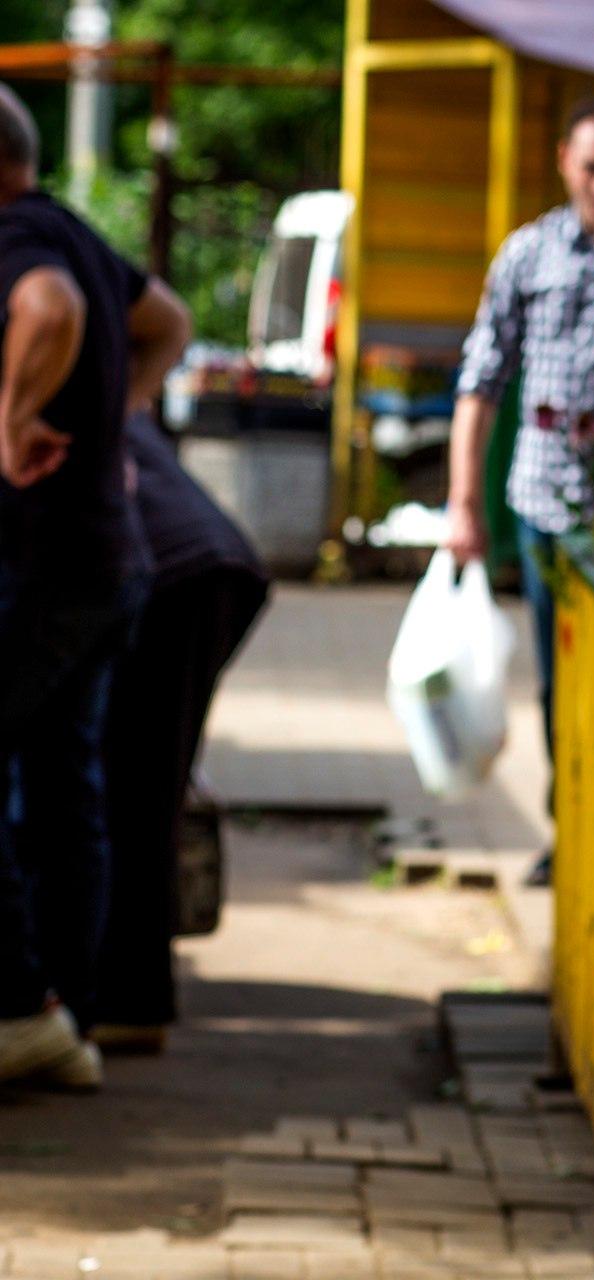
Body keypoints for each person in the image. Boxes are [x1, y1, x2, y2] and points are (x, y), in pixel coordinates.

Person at [0, 83, 192, 1088]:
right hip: (105, 562)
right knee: (66, 782)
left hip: (45, 565)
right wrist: (117, 416)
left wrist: (11, 416)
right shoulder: (67, 226)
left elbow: (50, 307)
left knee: (55, 782)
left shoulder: (20, 243)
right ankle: (60, 1018)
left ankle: (24, 1004)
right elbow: (170, 319)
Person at [445, 98, 594, 881]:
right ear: (566, 162)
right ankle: (570, 831)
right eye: (592, 168)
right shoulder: (527, 255)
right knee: (560, 678)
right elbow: (479, 381)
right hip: (545, 502)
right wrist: (463, 504)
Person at [94, 411, 268, 1050]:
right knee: (136, 787)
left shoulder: (41, 331)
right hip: (199, 564)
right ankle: (123, 994)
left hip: (177, 575)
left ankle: (131, 1004)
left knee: (133, 794)